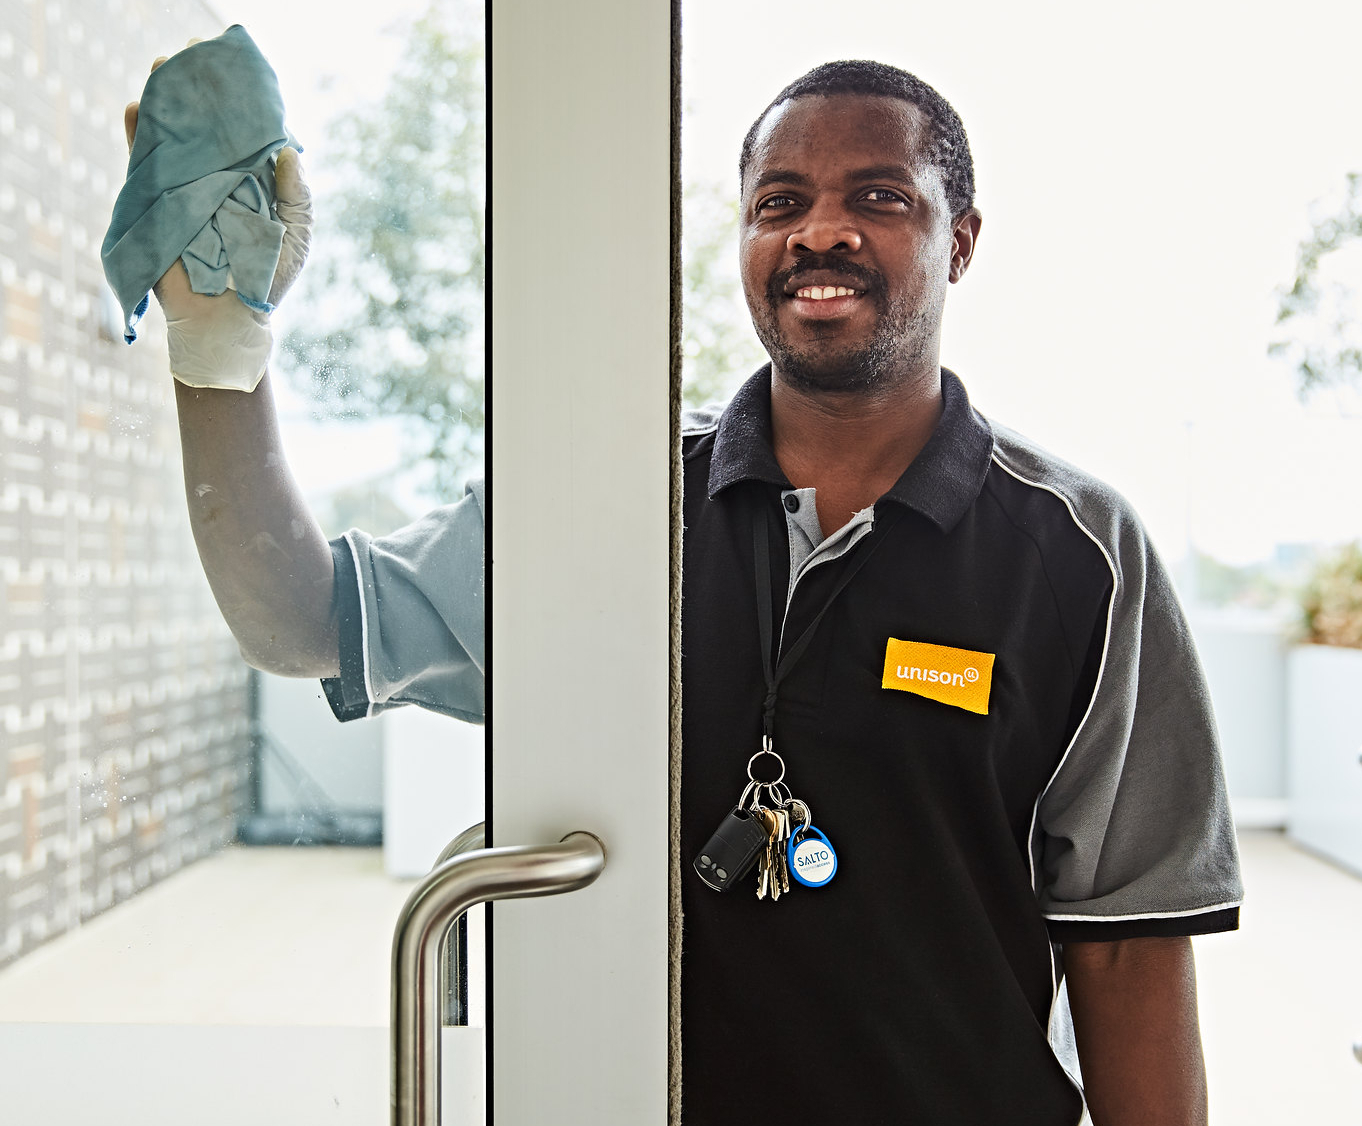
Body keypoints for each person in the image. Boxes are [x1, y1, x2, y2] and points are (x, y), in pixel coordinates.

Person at [126, 49, 1239, 1125]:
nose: (820, 231)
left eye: (881, 197)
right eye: (779, 201)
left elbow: (1130, 944)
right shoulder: (608, 503)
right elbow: (298, 620)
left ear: (962, 243)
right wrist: (219, 351)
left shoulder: (1081, 555)